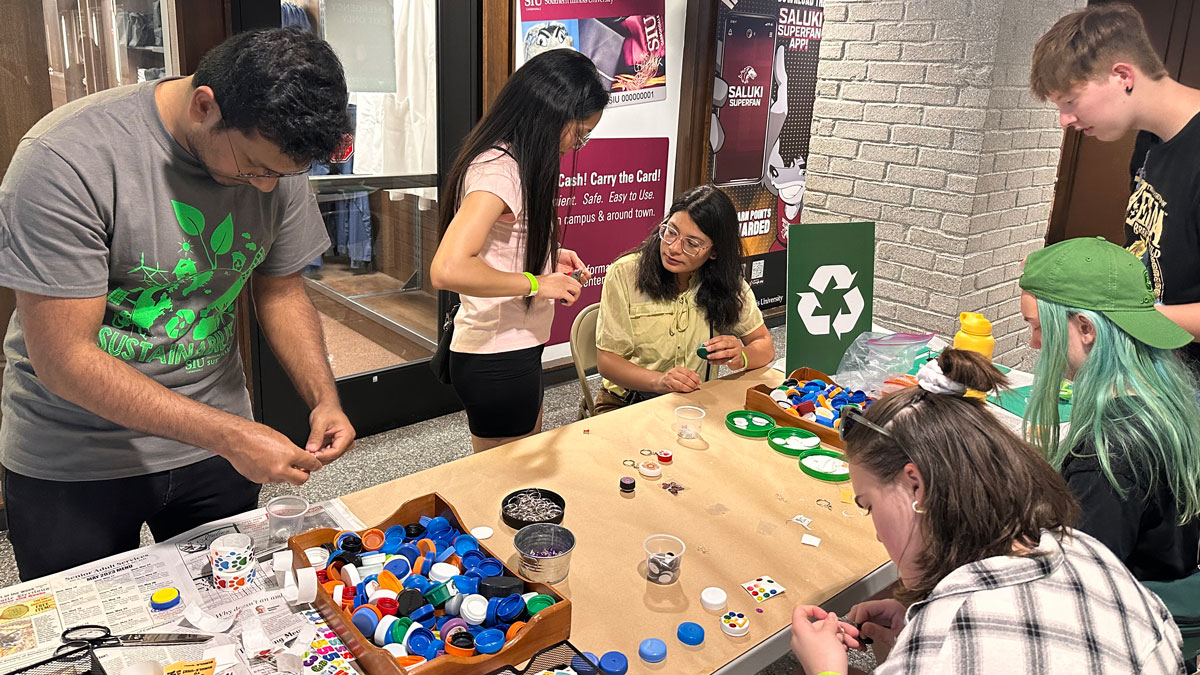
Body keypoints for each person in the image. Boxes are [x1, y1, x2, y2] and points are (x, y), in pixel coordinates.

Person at [0, 28, 356, 580]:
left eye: (281, 176)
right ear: (204, 105)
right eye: (256, 169)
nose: (266, 189)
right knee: (97, 642)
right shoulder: (65, 158)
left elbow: (282, 289)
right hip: (75, 452)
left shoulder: (276, 157)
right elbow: (64, 359)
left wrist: (323, 397)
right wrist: (231, 434)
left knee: (230, 613)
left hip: (216, 437)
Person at [789, 350, 1185, 675]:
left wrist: (827, 671)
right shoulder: (1088, 552)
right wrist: (917, 628)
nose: (876, 532)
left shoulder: (942, 648)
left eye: (869, 506)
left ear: (917, 485)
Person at [430, 49, 608, 452]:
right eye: (578, 133)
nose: (577, 145)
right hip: (498, 356)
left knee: (516, 472)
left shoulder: (515, 161)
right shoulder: (500, 170)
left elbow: (500, 244)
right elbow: (448, 268)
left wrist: (546, 257)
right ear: (550, 112)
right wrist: (535, 281)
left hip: (513, 348)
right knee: (506, 484)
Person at [1018, 237, 1200, 582]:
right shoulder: (1161, 400)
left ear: (1086, 328)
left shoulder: (1108, 457)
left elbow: (1074, 585)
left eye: (1039, 327)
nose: (1035, 344)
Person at [1031, 3, 1200, 364]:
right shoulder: (1148, 142)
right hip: (1159, 363)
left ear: (1123, 76)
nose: (1065, 120)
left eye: (1070, 101)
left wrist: (1117, 318)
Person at [593, 185, 774, 413]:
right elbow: (607, 362)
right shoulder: (625, 274)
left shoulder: (726, 282)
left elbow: (765, 346)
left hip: (693, 403)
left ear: (714, 251)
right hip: (628, 403)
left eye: (692, 244)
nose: (674, 248)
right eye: (671, 232)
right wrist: (660, 381)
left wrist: (741, 356)